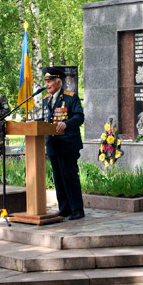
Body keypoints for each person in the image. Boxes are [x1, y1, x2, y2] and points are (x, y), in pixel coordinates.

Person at [41, 67, 85, 220]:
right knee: (58, 179)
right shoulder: (46, 100)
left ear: (59, 82)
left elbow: (79, 117)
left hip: (68, 144)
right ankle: (64, 208)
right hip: (53, 145)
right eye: (46, 81)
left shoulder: (71, 98)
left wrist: (66, 124)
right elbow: (46, 120)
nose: (47, 84)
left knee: (69, 177)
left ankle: (77, 209)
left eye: (50, 81)